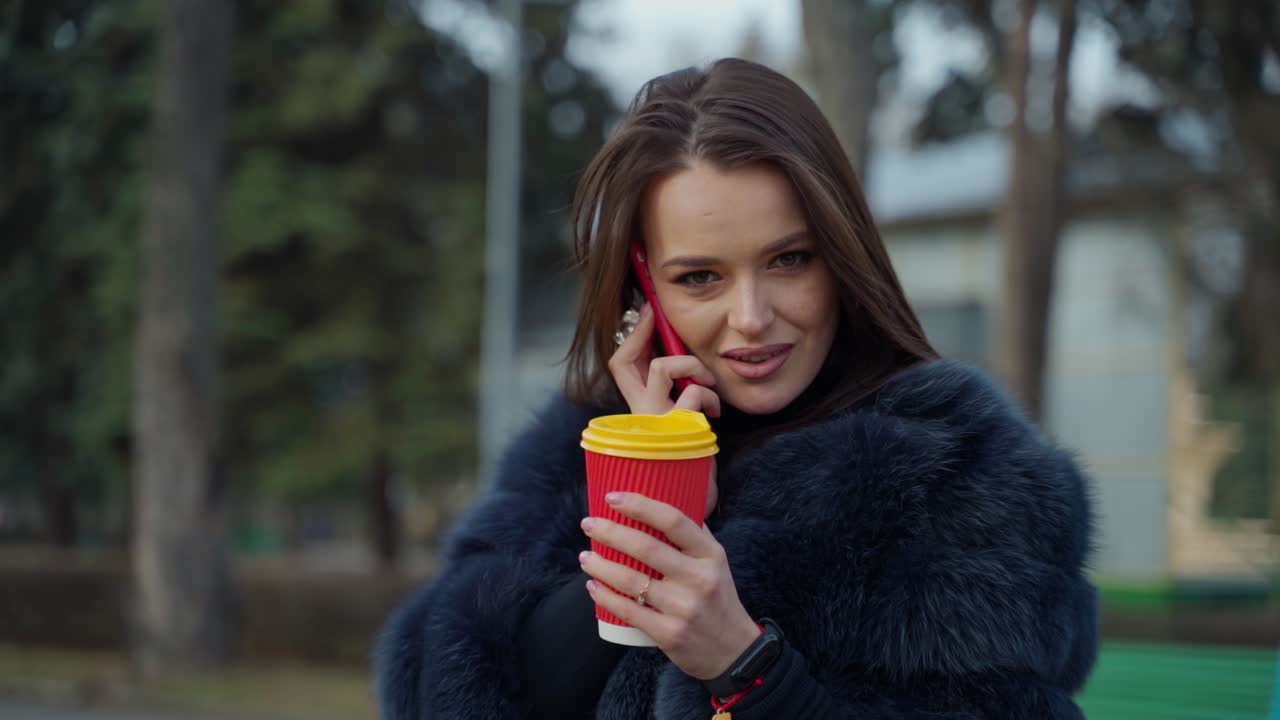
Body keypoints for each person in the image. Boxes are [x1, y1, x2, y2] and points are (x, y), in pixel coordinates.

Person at [375, 58, 1098, 719]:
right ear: (643, 289)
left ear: (842, 257)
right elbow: (437, 684)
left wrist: (746, 668)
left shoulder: (959, 468)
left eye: (789, 260)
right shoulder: (584, 444)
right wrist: (654, 489)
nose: (751, 319)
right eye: (699, 277)